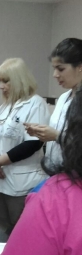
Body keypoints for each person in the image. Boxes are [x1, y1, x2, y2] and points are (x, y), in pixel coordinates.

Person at [0, 87, 82, 255]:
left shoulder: (57, 198)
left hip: (20, 176)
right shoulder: (5, 106)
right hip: (2, 174)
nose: (3, 85)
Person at [0, 58, 50, 227]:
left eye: (6, 81)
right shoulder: (4, 107)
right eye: (0, 81)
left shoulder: (36, 104)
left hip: (21, 183)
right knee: (1, 227)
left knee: (19, 230)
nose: (1, 86)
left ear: (20, 80)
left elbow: (33, 144)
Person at [24, 38, 82, 168]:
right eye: (54, 69)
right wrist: (43, 132)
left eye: (60, 69)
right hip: (56, 173)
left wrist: (56, 136)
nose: (55, 75)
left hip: (75, 177)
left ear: (80, 67)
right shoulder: (63, 98)